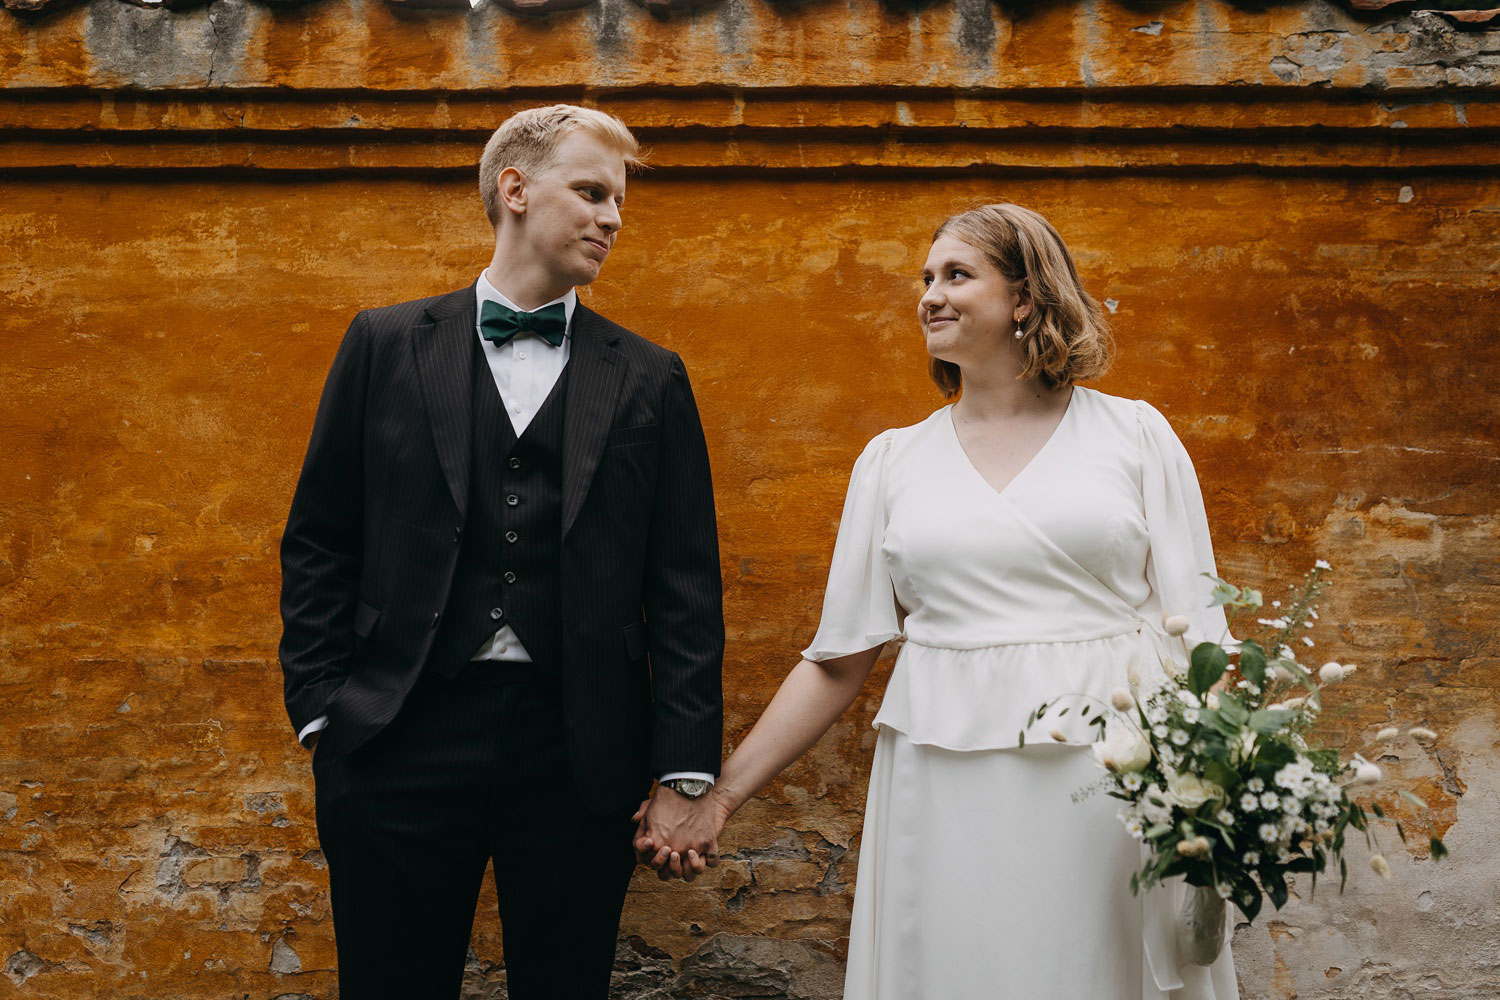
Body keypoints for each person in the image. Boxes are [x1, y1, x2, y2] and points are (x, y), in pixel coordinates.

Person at [639, 203, 1239, 998]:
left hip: (1113, 777)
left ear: (1026, 296)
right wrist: (717, 800)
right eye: (927, 279)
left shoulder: (1136, 437)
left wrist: (1216, 799)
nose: (930, 295)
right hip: (944, 777)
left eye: (958, 275)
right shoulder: (891, 462)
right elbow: (836, 660)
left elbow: (1203, 641)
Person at [278, 104, 725, 1000]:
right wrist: (325, 710)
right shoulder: (386, 343)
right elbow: (320, 538)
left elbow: (683, 582)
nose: (612, 217)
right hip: (399, 730)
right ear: (514, 190)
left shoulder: (649, 374)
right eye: (592, 192)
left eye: (619, 201)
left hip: (579, 746)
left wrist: (685, 766)